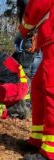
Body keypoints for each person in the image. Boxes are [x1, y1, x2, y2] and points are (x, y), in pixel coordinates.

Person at [18, 0, 54, 159]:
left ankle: (50, 152)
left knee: (51, 92)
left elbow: (38, 3)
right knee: (39, 88)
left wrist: (24, 28)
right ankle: (38, 140)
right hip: (48, 42)